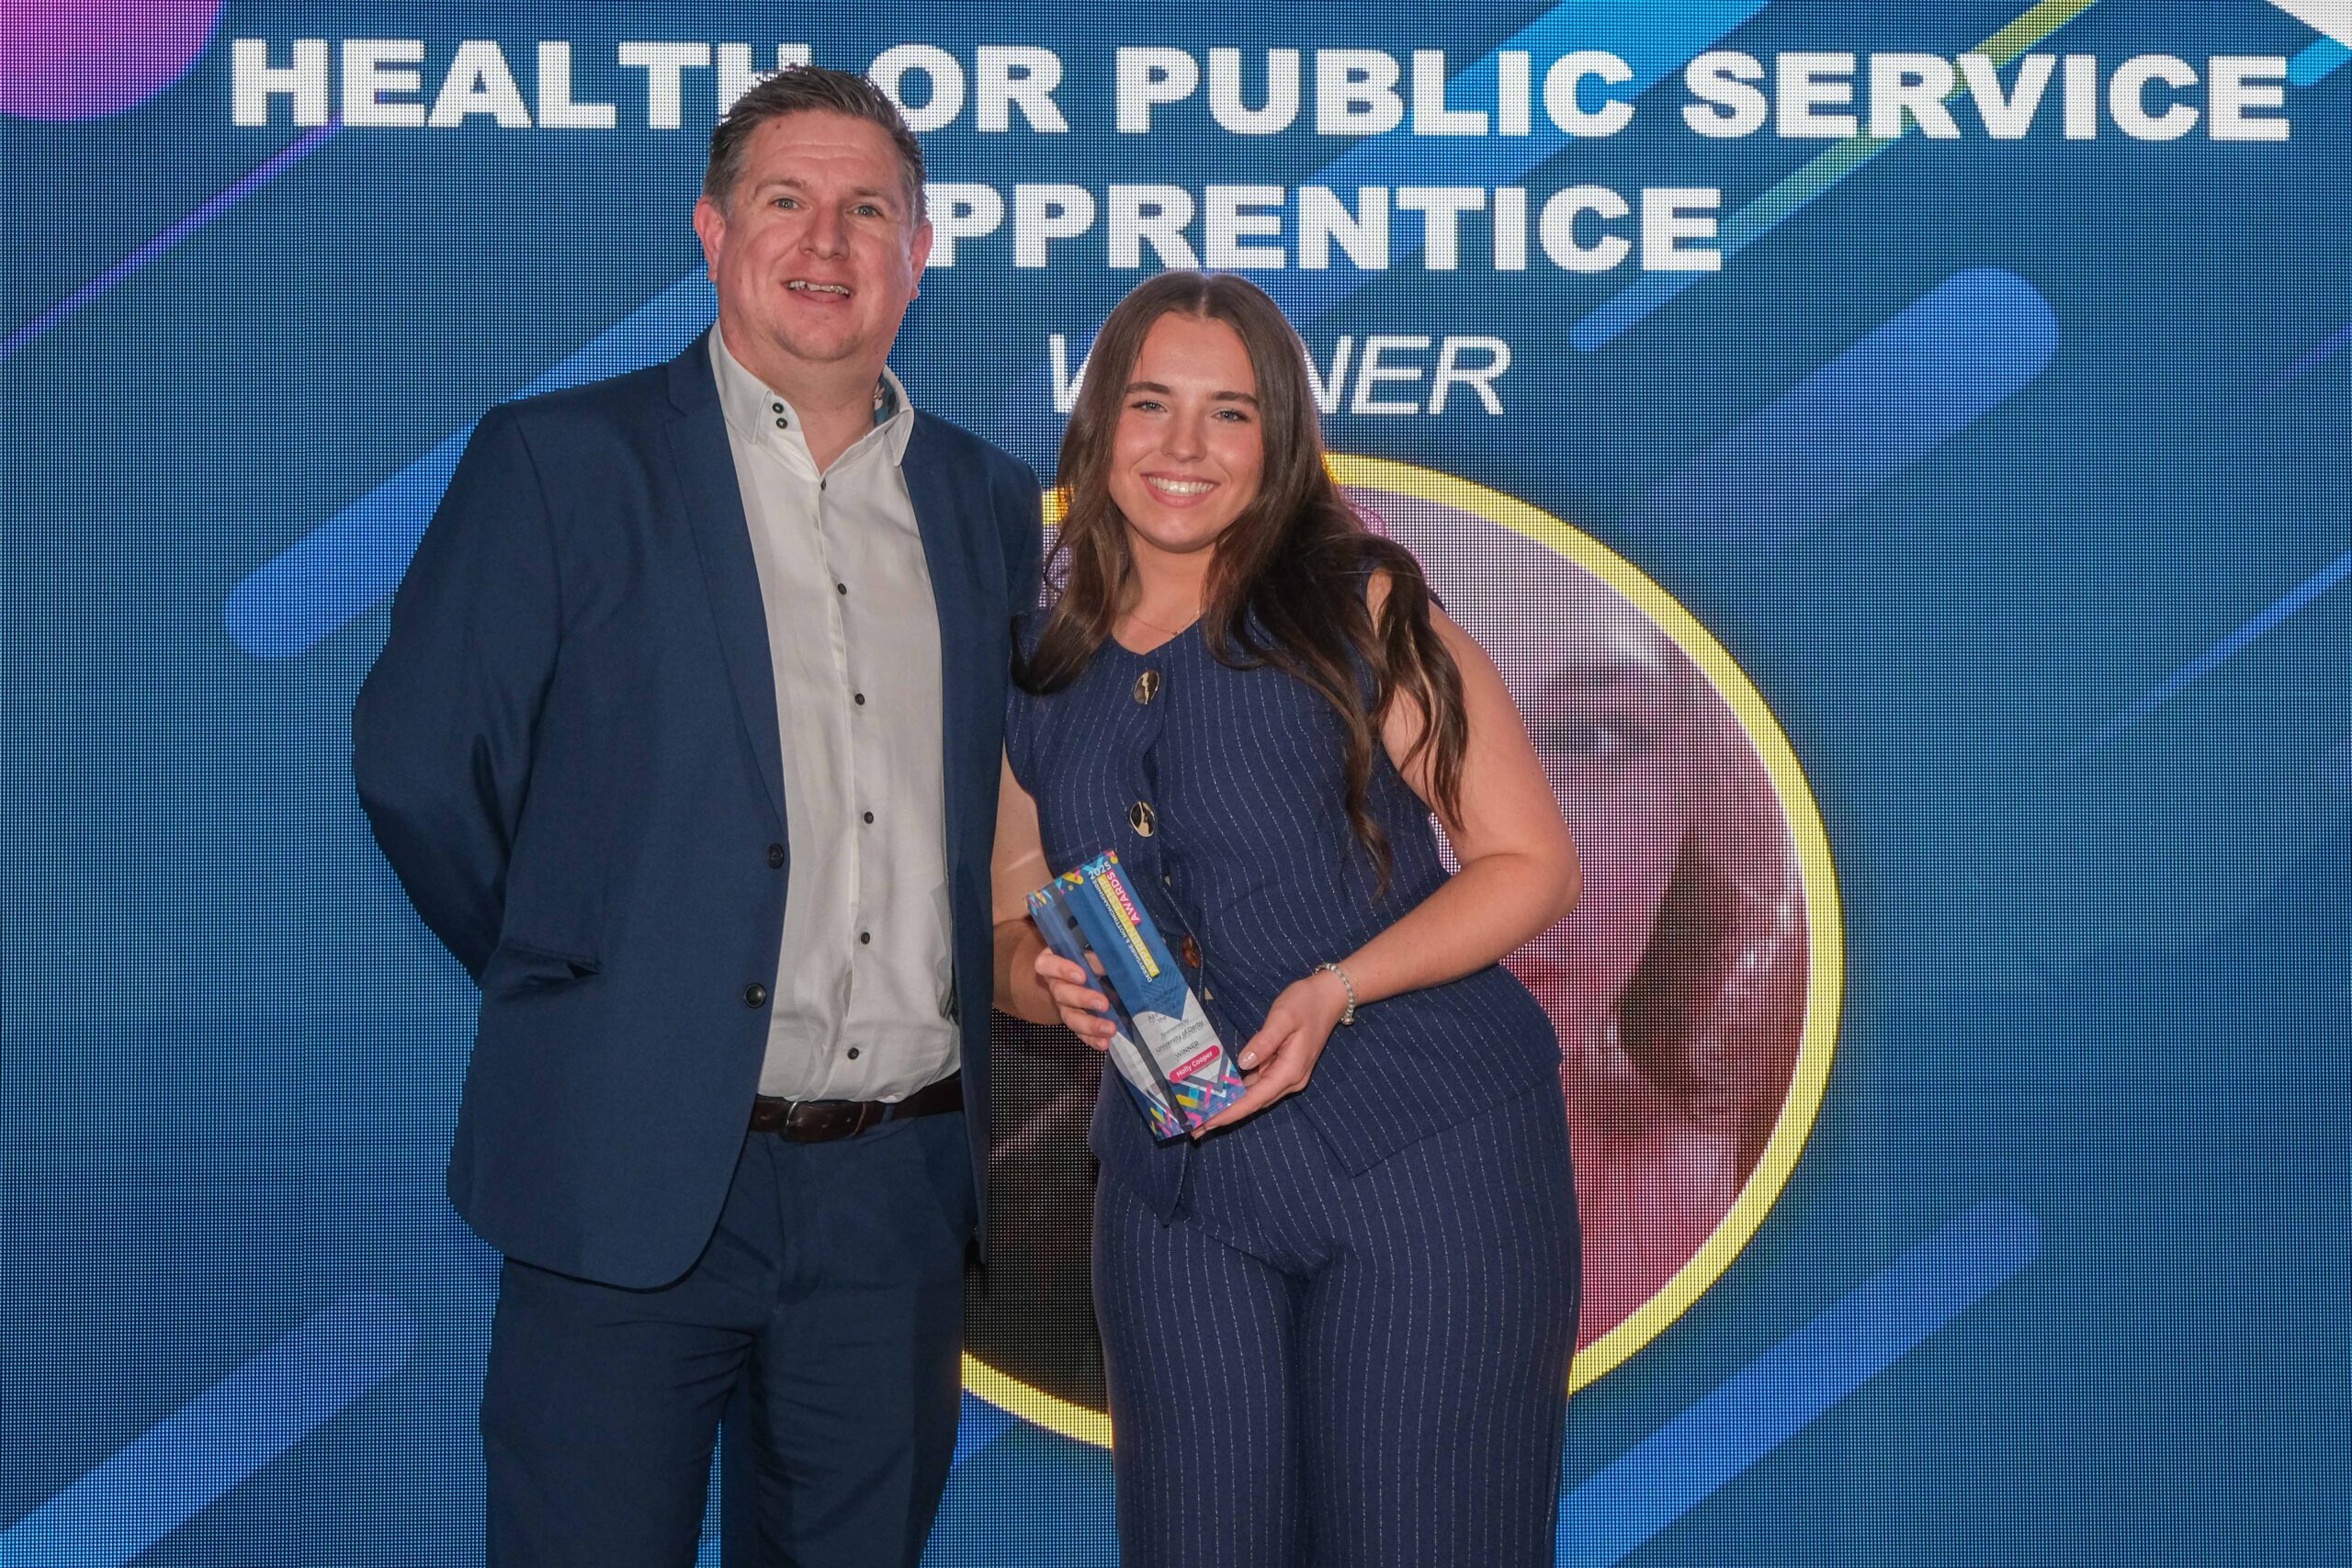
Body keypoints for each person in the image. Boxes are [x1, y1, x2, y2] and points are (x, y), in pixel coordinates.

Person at [352, 66, 1040, 1567]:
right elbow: (418, 766)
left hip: (894, 1197)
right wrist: (590, 975)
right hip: (625, 1167)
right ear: (712, 234)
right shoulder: (560, 463)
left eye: (871, 210)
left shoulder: (992, 504)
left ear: (919, 255)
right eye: (785, 201)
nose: (827, 242)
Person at [989, 271, 1583, 1566]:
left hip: (1431, 1161)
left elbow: (1530, 863)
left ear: (1281, 445)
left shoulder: (1362, 610)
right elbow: (1007, 927)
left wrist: (1340, 985)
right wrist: (1047, 981)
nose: (1184, 449)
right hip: (1176, 1192)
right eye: (1151, 406)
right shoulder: (1040, 658)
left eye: (1230, 414)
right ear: (1098, 430)